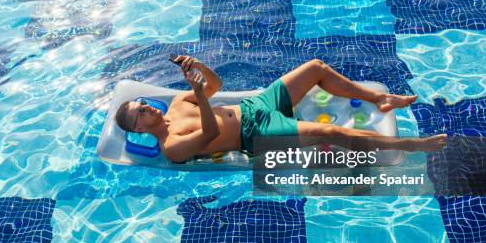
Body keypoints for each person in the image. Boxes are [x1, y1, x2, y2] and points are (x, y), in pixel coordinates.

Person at [114, 56, 447, 163]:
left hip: (255, 105)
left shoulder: (175, 103)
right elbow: (211, 133)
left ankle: (381, 100)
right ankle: (410, 145)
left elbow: (215, 88)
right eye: (139, 112)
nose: (145, 107)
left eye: (142, 103)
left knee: (315, 67)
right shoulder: (171, 148)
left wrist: (198, 67)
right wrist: (200, 96)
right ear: (139, 129)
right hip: (255, 134)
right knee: (328, 132)